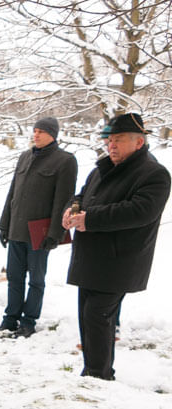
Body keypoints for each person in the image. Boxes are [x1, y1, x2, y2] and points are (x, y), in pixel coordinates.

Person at [63, 113, 170, 380]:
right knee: (88, 316)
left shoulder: (154, 174)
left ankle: (98, 375)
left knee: (97, 316)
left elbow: (140, 211)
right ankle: (94, 369)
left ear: (138, 142)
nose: (111, 145)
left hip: (118, 259)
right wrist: (72, 210)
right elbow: (82, 195)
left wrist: (91, 219)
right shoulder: (101, 169)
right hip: (90, 256)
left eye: (118, 140)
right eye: (109, 140)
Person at [0, 117, 77, 338]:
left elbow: (64, 200)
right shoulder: (25, 156)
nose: (36, 135)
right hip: (16, 229)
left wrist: (55, 233)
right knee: (14, 277)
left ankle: (28, 321)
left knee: (36, 280)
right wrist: (4, 226)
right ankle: (10, 318)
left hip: (39, 232)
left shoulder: (65, 161)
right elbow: (13, 193)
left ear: (53, 134)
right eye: (35, 131)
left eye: (42, 131)